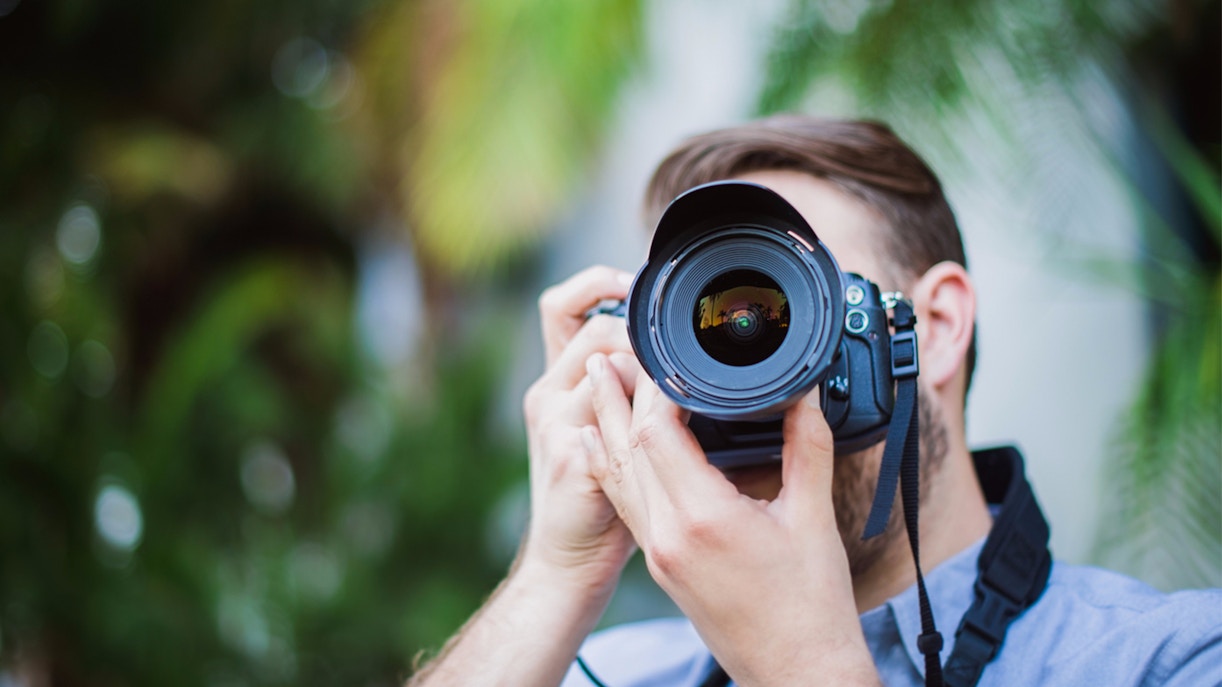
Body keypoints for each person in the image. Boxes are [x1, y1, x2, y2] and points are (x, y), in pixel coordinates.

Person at [407, 116, 1221, 686]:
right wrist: (557, 573)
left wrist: (801, 668)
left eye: (795, 307)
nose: (742, 360)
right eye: (703, 326)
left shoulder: (1170, 659)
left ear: (932, 328)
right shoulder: (619, 671)